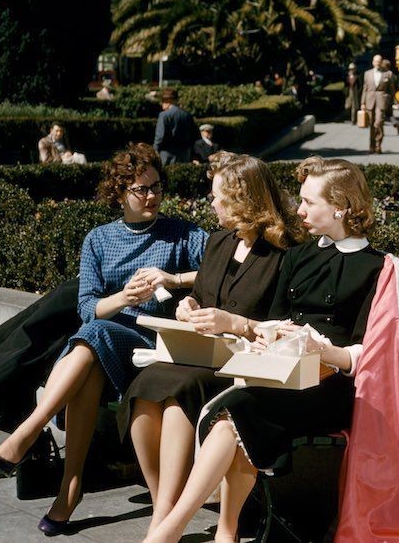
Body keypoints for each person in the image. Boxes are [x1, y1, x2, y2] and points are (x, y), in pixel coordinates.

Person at [143, 157, 387, 543]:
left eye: (309, 203)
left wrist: (321, 351)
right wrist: (273, 334)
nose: (299, 210)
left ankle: (171, 534)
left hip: (335, 389)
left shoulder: (379, 268)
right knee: (233, 414)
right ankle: (208, 532)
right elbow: (273, 320)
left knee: (237, 412)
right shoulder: (298, 257)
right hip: (284, 373)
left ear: (340, 206)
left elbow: (371, 355)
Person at [0, 143, 208, 535]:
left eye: (157, 186)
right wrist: (125, 296)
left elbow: (217, 269)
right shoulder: (99, 239)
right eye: (141, 189)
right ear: (120, 192)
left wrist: (173, 279)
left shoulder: (182, 233)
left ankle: (43, 450)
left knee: (91, 341)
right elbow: (88, 306)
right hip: (110, 337)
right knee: (92, 338)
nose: (152, 196)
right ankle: (68, 485)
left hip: (157, 342)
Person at [118, 152, 304, 535]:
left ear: (242, 200)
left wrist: (236, 324)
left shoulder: (287, 252)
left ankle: (165, 517)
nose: (213, 202)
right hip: (202, 353)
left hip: (244, 364)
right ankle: (162, 507)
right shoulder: (219, 241)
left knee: (179, 394)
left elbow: (289, 325)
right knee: (145, 387)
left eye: (219, 196)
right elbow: (202, 297)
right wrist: (188, 307)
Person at [360, 54, 395, 153]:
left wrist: (391, 101)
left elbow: (392, 90)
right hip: (369, 101)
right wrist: (362, 102)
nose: (377, 63)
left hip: (382, 101)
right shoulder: (367, 74)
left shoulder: (388, 74)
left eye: (379, 61)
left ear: (381, 62)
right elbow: (365, 89)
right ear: (373, 62)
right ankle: (371, 147)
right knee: (371, 125)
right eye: (376, 61)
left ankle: (378, 144)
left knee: (378, 123)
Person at [153, 89, 197, 165]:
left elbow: (160, 137)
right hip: (184, 155)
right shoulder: (187, 115)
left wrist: (154, 151)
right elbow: (194, 135)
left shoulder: (164, 115)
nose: (162, 104)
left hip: (167, 155)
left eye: (163, 101)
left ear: (169, 100)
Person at [380, 59, 399, 136]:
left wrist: (394, 99)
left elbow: (392, 87)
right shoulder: (388, 74)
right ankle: (395, 123)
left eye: (382, 64)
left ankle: (380, 131)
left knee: (381, 114)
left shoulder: (389, 74)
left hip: (385, 98)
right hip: (389, 98)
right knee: (389, 114)